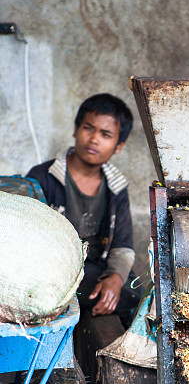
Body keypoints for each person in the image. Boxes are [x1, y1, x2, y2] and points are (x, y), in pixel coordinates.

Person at [27, 93, 141, 328]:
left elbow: (123, 246)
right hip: (55, 270)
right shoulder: (43, 177)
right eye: (88, 128)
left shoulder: (116, 187)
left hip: (96, 267)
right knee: (72, 294)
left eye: (106, 135)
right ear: (75, 129)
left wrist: (115, 278)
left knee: (134, 293)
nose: (94, 139)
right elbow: (28, 240)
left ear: (118, 146)